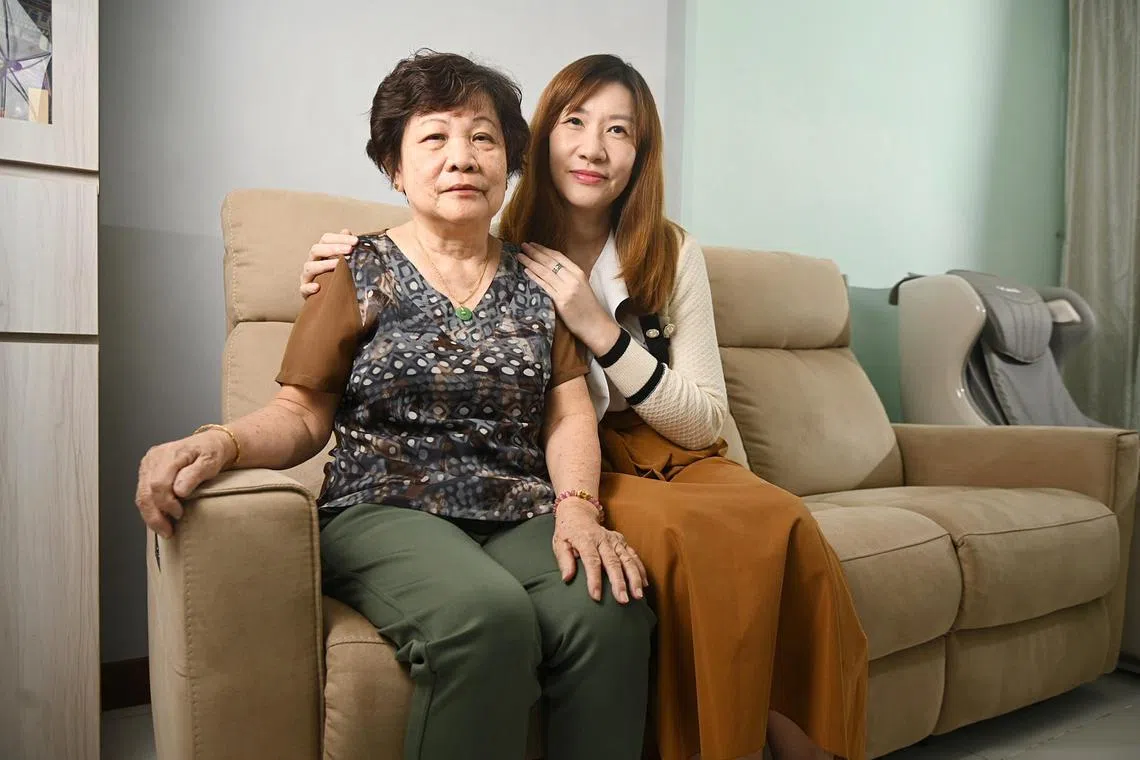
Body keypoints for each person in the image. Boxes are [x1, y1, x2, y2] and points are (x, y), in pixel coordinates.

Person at [301, 54, 868, 760]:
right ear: (537, 142)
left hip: (660, 448)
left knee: (778, 520)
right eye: (575, 121)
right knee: (678, 551)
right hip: (575, 459)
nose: (595, 147)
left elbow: (702, 420)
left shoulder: (667, 249)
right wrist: (348, 255)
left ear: (641, 154)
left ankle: (800, 746)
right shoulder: (504, 233)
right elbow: (434, 230)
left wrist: (597, 324)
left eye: (620, 131)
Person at [134, 51, 656, 760]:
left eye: (482, 138)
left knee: (612, 611)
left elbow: (566, 415)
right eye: (433, 138)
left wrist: (577, 509)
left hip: (517, 508)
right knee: (486, 616)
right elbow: (301, 414)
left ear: (509, 166)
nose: (461, 158)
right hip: (381, 507)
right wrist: (220, 442)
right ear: (396, 168)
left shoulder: (541, 283)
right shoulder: (355, 269)